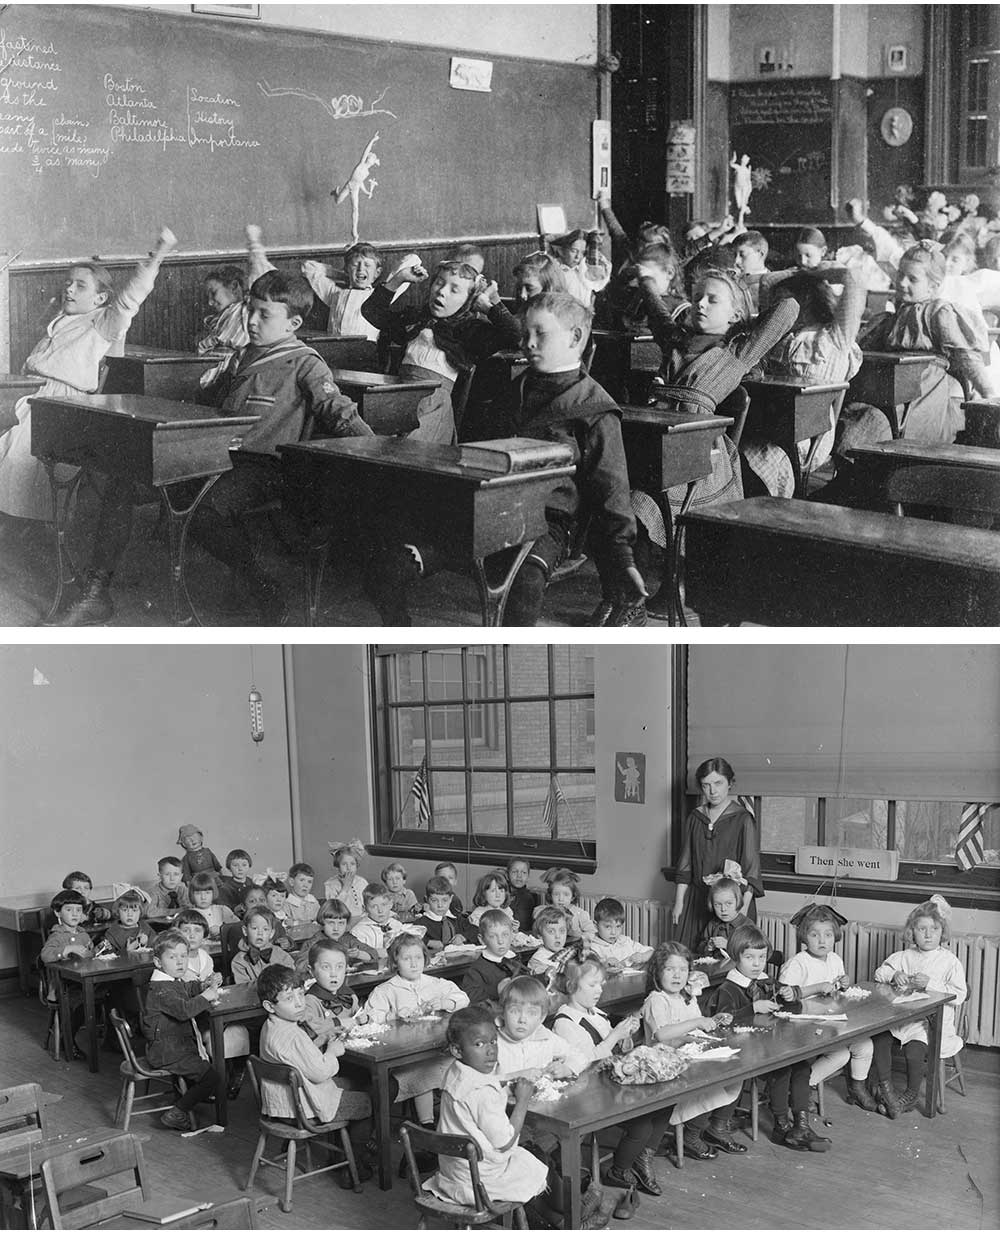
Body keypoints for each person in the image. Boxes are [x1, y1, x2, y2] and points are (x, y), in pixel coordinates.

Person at [56, 255, 371, 627]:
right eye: (250, 311)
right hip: (216, 455)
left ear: (294, 323)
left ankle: (262, 585)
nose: (251, 322)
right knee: (123, 475)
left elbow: (340, 412)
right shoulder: (241, 357)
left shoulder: (306, 363)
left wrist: (375, 451)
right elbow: (207, 405)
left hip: (264, 467)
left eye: (264, 315)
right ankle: (97, 594)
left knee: (204, 514)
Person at [369, 292, 644, 628]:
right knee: (388, 567)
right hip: (485, 508)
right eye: (525, 333)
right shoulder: (513, 387)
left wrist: (623, 560)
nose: (527, 343)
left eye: (540, 334)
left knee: (523, 588)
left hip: (546, 522)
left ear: (576, 337)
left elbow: (612, 491)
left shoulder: (595, 408)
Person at [631, 266, 798, 618]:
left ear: (735, 312)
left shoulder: (738, 350)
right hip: (659, 437)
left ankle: (668, 585)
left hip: (701, 450)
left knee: (647, 501)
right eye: (696, 298)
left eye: (712, 299)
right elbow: (657, 308)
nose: (700, 305)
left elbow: (789, 309)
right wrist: (646, 280)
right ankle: (629, 596)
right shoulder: (676, 338)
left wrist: (746, 318)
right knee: (627, 501)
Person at [0, 227, 176, 531]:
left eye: (80, 286)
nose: (69, 289)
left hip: (61, 406)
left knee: (15, 455)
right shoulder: (60, 322)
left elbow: (130, 299)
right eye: (68, 283)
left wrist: (158, 255)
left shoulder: (102, 323)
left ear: (101, 298)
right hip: (31, 395)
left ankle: (17, 523)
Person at [361, 252, 520, 444]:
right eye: (439, 283)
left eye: (455, 290)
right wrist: (400, 279)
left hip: (432, 405)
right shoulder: (414, 318)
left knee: (405, 446)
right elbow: (372, 312)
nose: (442, 291)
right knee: (368, 438)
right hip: (397, 395)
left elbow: (515, 335)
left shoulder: (470, 331)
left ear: (469, 300)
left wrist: (490, 307)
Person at [741, 259, 867, 498]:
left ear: (806, 300)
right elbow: (767, 281)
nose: (775, 311)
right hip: (768, 426)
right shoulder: (777, 335)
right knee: (738, 454)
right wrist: (797, 272)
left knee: (761, 460)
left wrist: (816, 273)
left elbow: (855, 278)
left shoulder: (835, 337)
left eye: (781, 304)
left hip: (807, 438)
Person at [707, 925, 830, 1151]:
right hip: (743, 1053)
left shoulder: (766, 981)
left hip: (770, 1045)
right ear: (736, 957)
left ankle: (801, 1125)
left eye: (762, 957)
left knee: (801, 1065)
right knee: (781, 1068)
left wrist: (789, 994)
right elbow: (721, 1022)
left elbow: (790, 1001)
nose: (757, 964)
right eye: (750, 958)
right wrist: (752, 1008)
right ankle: (781, 1126)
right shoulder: (728, 988)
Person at [551, 957, 665, 1197]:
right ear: (572, 985)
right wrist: (614, 1035)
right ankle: (619, 1169)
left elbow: (614, 1051)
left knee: (664, 1100)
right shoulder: (565, 1023)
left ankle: (642, 1157)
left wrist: (625, 1036)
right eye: (592, 985)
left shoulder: (595, 1013)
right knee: (642, 1121)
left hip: (608, 1081)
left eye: (601, 984)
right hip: (586, 1092)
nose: (599, 990)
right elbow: (584, 1063)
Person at [423, 1006, 547, 1209]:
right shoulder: (482, 1093)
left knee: (531, 1158)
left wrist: (504, 1080)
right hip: (481, 1180)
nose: (491, 1050)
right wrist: (523, 1100)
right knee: (536, 1158)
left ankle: (548, 1219)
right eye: (479, 1044)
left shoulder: (455, 1070)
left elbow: (475, 1087)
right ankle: (563, 1219)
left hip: (454, 1171)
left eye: (493, 1041)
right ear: (457, 1050)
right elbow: (505, 1143)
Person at [257, 963, 373, 1156]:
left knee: (353, 1082)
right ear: (269, 1006)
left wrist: (322, 1040)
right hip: (301, 1109)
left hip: (280, 1105)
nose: (299, 1003)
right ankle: (353, 1164)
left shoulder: (270, 1027)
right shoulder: (293, 1036)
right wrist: (332, 1052)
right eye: (289, 998)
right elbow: (320, 1073)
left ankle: (342, 1152)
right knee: (367, 1102)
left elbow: (299, 1057)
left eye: (301, 994)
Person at [641, 941, 743, 1159]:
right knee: (709, 1080)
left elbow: (694, 1028)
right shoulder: (656, 1000)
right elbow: (662, 1034)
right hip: (664, 1065)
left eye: (683, 970)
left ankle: (709, 1128)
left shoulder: (686, 997)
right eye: (670, 969)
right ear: (657, 972)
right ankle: (692, 1134)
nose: (677, 976)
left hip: (688, 1057)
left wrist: (712, 1021)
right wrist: (697, 1022)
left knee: (738, 1072)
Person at [870, 894, 966, 1118]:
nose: (928, 934)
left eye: (934, 929)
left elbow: (960, 994)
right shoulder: (904, 956)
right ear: (912, 932)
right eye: (921, 929)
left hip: (930, 1023)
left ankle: (911, 1094)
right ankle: (887, 1090)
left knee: (915, 1050)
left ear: (942, 932)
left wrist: (930, 983)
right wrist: (895, 974)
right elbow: (879, 973)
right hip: (900, 1017)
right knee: (879, 1038)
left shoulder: (949, 961)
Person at [362, 934, 469, 1132]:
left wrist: (446, 1003)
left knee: (458, 1066)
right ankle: (426, 1124)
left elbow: (463, 998)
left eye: (418, 958)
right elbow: (370, 1016)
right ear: (395, 962)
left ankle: (457, 1117)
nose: (413, 964)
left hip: (435, 1048)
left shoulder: (435, 983)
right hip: (404, 1055)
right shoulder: (386, 989)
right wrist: (393, 1015)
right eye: (406, 959)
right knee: (422, 1072)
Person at [778, 903, 876, 1112]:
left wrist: (843, 984)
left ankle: (857, 1088)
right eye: (815, 935)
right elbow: (783, 998)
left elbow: (838, 993)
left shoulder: (835, 959)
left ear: (835, 937)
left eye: (828, 935)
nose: (822, 941)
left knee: (865, 1044)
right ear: (804, 937)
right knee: (841, 1055)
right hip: (803, 1025)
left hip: (831, 1021)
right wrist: (816, 988)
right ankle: (801, 1089)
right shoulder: (798, 963)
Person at [672, 757, 762, 949]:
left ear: (730, 783)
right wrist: (679, 902)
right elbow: (685, 864)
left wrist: (743, 908)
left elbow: (751, 869)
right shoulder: (695, 817)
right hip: (697, 903)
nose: (712, 791)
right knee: (691, 957)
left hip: (733, 904)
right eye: (706, 785)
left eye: (718, 783)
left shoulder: (742, 819)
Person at [141, 929, 221, 1131]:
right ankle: (178, 1111)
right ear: (158, 962)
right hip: (169, 1051)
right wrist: (207, 996)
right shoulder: (162, 989)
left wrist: (203, 985)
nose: (180, 962)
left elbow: (186, 990)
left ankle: (188, 1098)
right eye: (172, 957)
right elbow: (184, 1010)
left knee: (204, 1071)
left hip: (173, 1047)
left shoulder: (170, 982)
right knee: (212, 1076)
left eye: (183, 956)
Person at [40, 889, 95, 1052]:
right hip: (62, 987)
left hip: (83, 982)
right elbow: (45, 955)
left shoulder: (83, 934)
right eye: (69, 910)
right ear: (58, 913)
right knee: (80, 1000)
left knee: (106, 993)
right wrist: (67, 949)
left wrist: (95, 952)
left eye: (78, 910)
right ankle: (67, 1040)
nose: (75, 914)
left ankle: (113, 1037)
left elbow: (90, 954)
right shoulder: (57, 935)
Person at [301, 241, 391, 341]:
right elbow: (308, 267)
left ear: (377, 273)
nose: (361, 269)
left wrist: (351, 273)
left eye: (367, 265)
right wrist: (344, 275)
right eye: (355, 265)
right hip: (335, 348)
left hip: (365, 350)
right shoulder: (334, 293)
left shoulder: (381, 295)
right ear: (347, 269)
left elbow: (410, 261)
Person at [302, 938, 361, 1041]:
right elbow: (308, 1030)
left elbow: (358, 1019)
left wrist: (364, 1019)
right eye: (326, 967)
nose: (333, 974)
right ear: (311, 971)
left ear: (346, 969)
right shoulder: (310, 1001)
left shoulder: (349, 995)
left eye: (339, 967)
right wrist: (337, 1022)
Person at [462, 909, 524, 1007]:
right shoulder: (477, 969)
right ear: (482, 940)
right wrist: (496, 991)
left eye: (505, 935)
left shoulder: (514, 959)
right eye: (493, 936)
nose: (500, 941)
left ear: (512, 935)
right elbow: (470, 996)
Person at [695, 865, 749, 962]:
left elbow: (753, 953)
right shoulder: (712, 924)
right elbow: (700, 949)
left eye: (728, 904)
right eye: (718, 904)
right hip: (716, 970)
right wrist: (708, 946)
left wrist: (729, 945)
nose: (723, 909)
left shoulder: (746, 926)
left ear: (738, 901)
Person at [548, 228, 611, 308]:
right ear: (562, 251)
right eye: (574, 251)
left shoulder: (584, 270)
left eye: (582, 252)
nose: (578, 257)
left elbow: (597, 284)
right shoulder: (556, 269)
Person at [231, 906, 294, 984]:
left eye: (265, 929)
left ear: (271, 933)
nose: (260, 933)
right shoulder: (239, 961)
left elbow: (292, 975)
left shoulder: (280, 954)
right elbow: (243, 988)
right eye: (254, 928)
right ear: (245, 931)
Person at [351, 883, 414, 958]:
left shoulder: (397, 925)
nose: (380, 910)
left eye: (384, 905)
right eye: (374, 906)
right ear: (364, 908)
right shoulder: (358, 932)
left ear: (391, 904)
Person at [533, 867, 596, 942]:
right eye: (556, 894)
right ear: (550, 895)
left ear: (573, 896)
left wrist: (576, 934)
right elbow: (536, 916)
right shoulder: (545, 911)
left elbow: (593, 933)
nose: (561, 899)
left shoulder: (580, 914)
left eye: (566, 895)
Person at [196, 265, 248, 355]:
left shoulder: (241, 312)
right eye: (207, 296)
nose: (210, 302)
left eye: (213, 293)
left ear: (233, 287)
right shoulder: (221, 317)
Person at [588, 897, 652, 969]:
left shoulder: (626, 941)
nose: (614, 932)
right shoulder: (592, 947)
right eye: (608, 927)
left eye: (618, 926)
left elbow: (652, 953)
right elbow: (589, 970)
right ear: (595, 925)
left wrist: (642, 956)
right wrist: (605, 964)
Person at [314, 898, 380, 967]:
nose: (336, 928)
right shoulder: (314, 942)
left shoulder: (348, 939)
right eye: (331, 923)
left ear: (346, 923)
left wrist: (358, 954)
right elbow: (302, 966)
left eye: (341, 923)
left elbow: (373, 954)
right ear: (322, 922)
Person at [414, 876, 467, 951]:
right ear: (427, 900)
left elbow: (476, 931)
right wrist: (428, 942)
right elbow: (409, 939)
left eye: (445, 900)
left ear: (451, 899)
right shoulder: (420, 923)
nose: (440, 905)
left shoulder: (457, 919)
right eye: (434, 900)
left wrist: (463, 937)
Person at [324, 839, 369, 921]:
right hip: (341, 921)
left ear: (357, 865)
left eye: (352, 864)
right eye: (344, 864)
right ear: (338, 865)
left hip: (362, 920)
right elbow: (333, 910)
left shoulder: (362, 882)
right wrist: (345, 888)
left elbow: (369, 905)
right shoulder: (331, 884)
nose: (348, 868)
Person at [187, 872, 237, 938]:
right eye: (198, 893)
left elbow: (238, 926)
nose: (203, 897)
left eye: (207, 893)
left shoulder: (222, 910)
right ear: (192, 894)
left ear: (213, 893)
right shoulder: (189, 914)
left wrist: (222, 929)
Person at [104, 889, 153, 956]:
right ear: (118, 912)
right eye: (125, 910)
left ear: (140, 912)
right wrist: (127, 951)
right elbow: (108, 959)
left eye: (134, 910)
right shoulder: (112, 934)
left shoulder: (145, 927)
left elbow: (158, 947)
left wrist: (145, 943)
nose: (130, 914)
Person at [175, 909, 215, 983]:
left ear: (204, 937)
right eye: (186, 930)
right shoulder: (173, 960)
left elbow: (210, 978)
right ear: (177, 934)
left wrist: (215, 979)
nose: (192, 935)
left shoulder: (206, 957)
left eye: (197, 930)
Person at [506, 858, 538, 934]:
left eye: (523, 872)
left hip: (522, 934)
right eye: (514, 872)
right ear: (507, 875)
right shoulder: (502, 893)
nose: (519, 876)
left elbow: (527, 924)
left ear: (528, 877)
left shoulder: (528, 898)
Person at [218, 849, 254, 914]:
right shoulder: (225, 888)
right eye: (235, 865)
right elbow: (224, 908)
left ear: (249, 866)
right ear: (229, 868)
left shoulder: (250, 881)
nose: (240, 869)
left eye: (244, 865)